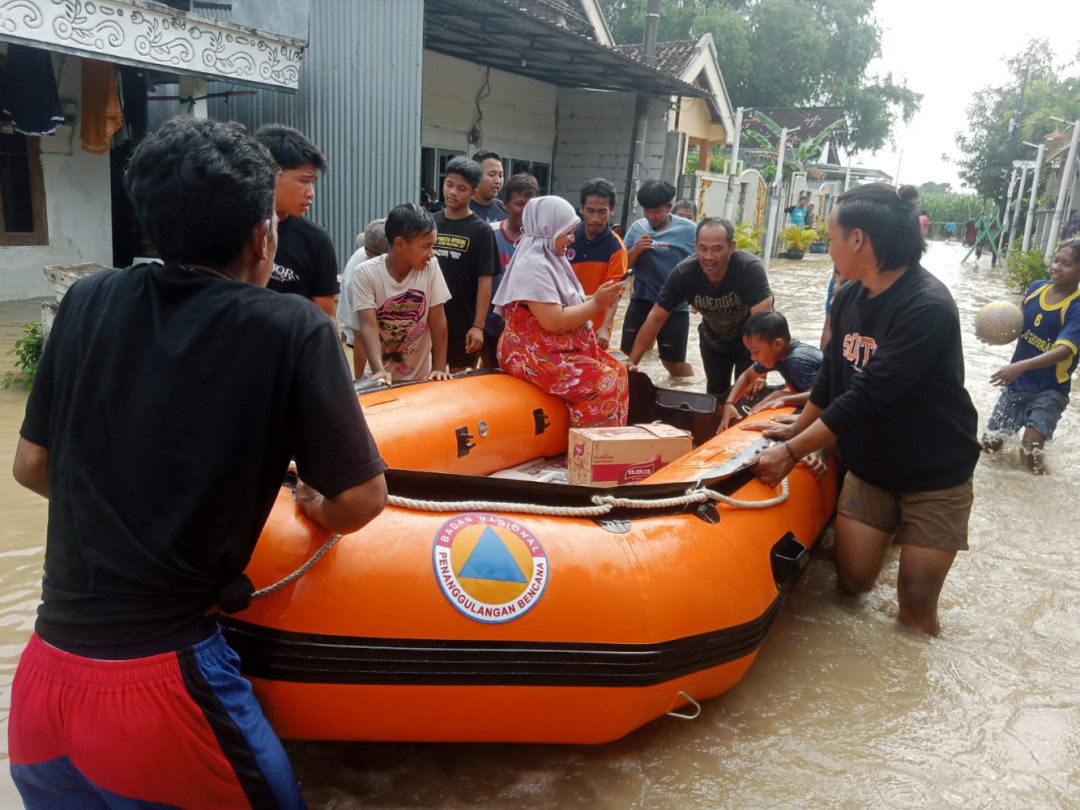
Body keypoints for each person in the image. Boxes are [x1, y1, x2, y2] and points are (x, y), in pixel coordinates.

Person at [8, 117, 388, 807]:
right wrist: (314, 506)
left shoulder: (88, 299)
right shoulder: (291, 327)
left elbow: (32, 466)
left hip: (41, 690)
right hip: (162, 697)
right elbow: (362, 500)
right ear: (260, 234)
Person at [752, 183, 980, 637]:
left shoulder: (926, 306)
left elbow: (869, 394)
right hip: (871, 468)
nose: (828, 243)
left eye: (832, 235)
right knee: (851, 586)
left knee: (914, 604)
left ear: (858, 240)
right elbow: (834, 376)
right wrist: (799, 423)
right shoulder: (852, 297)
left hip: (934, 474)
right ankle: (895, 538)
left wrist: (793, 451)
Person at [493, 196, 628, 427]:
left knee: (619, 370)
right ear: (549, 230)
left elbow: (560, 302)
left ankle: (611, 446)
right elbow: (554, 320)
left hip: (556, 347)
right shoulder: (532, 265)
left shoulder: (550, 257)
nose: (572, 238)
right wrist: (597, 302)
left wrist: (598, 297)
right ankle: (586, 455)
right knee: (604, 380)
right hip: (532, 354)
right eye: (567, 232)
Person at [626, 217, 773, 397]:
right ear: (695, 245)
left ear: (732, 247)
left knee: (747, 395)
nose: (709, 257)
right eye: (703, 248)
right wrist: (632, 363)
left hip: (750, 343)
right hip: (714, 341)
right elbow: (656, 317)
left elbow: (764, 321)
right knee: (715, 395)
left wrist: (761, 372)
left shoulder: (749, 269)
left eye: (717, 249)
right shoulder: (684, 272)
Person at [982, 238, 1080, 473]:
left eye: (1066, 263)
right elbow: (1017, 323)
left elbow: (1063, 351)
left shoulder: (1076, 307)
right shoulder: (1036, 288)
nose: (1056, 267)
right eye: (1055, 260)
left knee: (1030, 452)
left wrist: (1021, 366)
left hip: (1050, 389)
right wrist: (992, 333)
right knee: (989, 445)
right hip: (1016, 384)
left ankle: (1042, 492)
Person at [353, 203, 452, 384]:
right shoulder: (365, 273)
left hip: (420, 378)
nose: (431, 253)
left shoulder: (431, 267)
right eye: (426, 246)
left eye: (433, 246)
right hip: (379, 377)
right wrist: (378, 371)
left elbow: (438, 321)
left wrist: (439, 367)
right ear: (400, 243)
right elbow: (368, 327)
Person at [254, 124, 340, 324]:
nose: (311, 193)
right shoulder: (232, 230)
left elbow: (326, 316)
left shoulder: (316, 241)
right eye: (303, 181)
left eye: (313, 182)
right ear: (269, 174)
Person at [619, 179, 698, 378]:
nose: (651, 216)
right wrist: (637, 249)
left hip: (675, 305)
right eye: (647, 211)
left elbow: (701, 265)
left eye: (657, 212)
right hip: (642, 300)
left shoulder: (689, 230)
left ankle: (691, 387)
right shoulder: (638, 228)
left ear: (669, 207)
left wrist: (697, 295)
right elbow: (622, 266)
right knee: (625, 357)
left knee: (673, 364)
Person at [433, 156, 500, 372]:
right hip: (430, 321)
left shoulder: (482, 231)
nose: (452, 192)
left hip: (464, 325)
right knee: (427, 383)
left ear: (473, 193)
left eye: (461, 188)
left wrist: (478, 326)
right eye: (449, 185)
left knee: (458, 385)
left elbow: (485, 281)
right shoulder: (430, 223)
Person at [718, 310, 823, 431]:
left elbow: (818, 397)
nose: (752, 358)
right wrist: (729, 403)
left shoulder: (795, 361)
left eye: (756, 351)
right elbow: (747, 376)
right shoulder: (778, 353)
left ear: (778, 344)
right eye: (750, 352)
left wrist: (781, 397)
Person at [486, 172, 540, 367]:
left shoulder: (541, 242)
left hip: (527, 332)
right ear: (505, 204)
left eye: (531, 206)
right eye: (520, 204)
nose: (525, 211)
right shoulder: (489, 235)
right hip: (490, 326)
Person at [569, 178, 628, 349]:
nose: (595, 218)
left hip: (595, 332)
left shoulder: (616, 248)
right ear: (581, 208)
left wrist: (605, 327)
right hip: (563, 322)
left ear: (612, 210)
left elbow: (614, 292)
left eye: (602, 212)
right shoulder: (566, 239)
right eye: (590, 211)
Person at [339, 218, 390, 375]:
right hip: (358, 329)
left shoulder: (381, 262)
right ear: (370, 254)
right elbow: (359, 337)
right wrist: (361, 386)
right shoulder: (359, 275)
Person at [469, 150, 507, 222]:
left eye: (500, 175)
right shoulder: (462, 210)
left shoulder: (506, 210)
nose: (498, 181)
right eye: (492, 175)